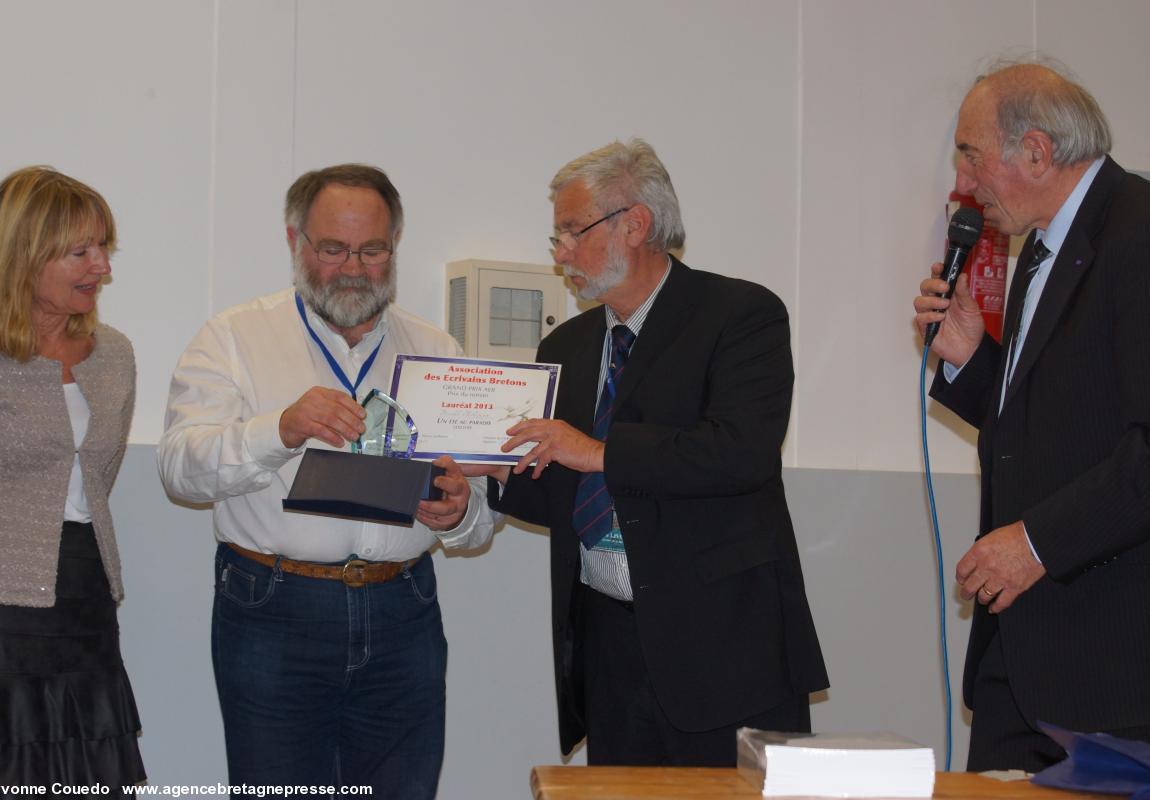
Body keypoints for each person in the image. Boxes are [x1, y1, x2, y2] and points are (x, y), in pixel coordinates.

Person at [476, 139, 828, 766]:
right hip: (608, 643)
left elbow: (738, 453)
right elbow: (567, 491)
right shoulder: (567, 345)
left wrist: (597, 452)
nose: (560, 254)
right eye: (556, 236)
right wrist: (491, 474)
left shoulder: (740, 314)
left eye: (571, 232)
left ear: (635, 224)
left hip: (723, 645)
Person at [157, 164, 496, 797]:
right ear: (295, 243)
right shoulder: (233, 338)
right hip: (274, 608)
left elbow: (476, 510)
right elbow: (179, 467)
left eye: (372, 250)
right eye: (333, 248)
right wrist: (278, 429)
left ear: (394, 248)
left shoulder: (437, 348)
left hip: (405, 611)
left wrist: (463, 514)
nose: (353, 267)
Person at [914, 62, 1150, 772]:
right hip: (1018, 657)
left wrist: (1035, 543)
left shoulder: (1138, 234)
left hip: (1111, 663)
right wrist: (968, 359)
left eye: (971, 153)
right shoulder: (1038, 245)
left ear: (1039, 152)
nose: (965, 180)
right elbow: (1052, 428)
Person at [0, 167, 144, 787]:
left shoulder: (113, 354)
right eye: (80, 252)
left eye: (104, 249)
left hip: (84, 592)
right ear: (23, 255)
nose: (101, 268)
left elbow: (99, 476)